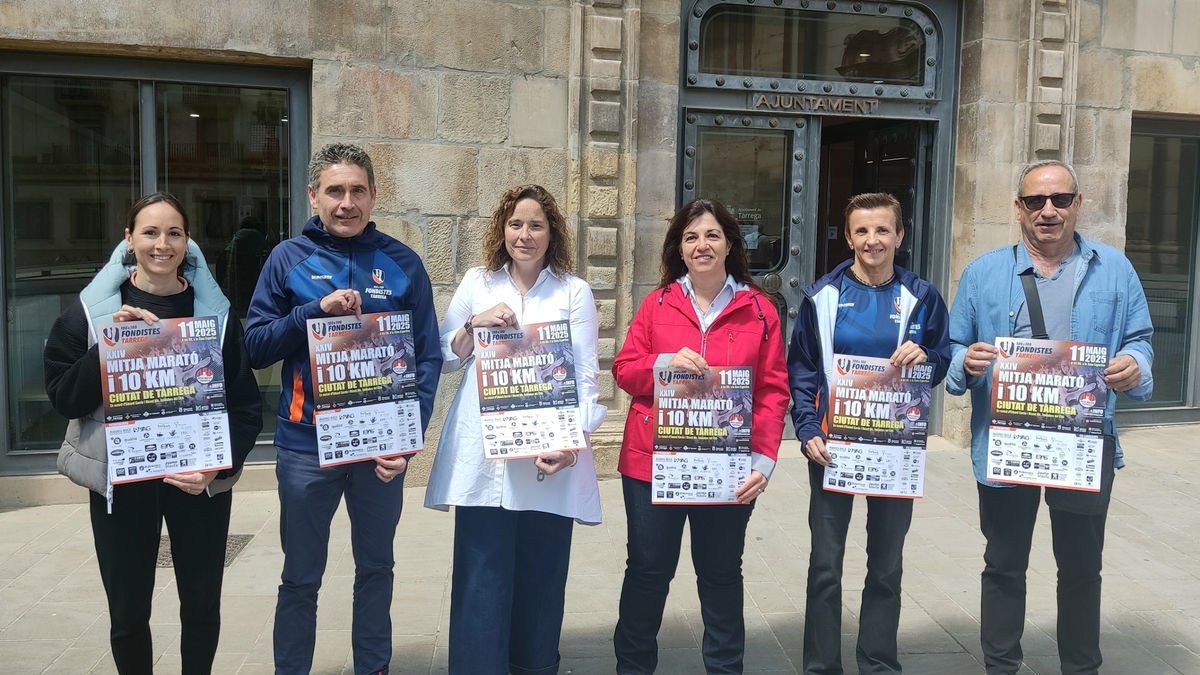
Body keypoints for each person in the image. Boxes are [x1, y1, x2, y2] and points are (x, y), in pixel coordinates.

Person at [946, 159, 1154, 675]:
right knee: (1003, 566)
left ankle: (1081, 668)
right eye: (1036, 201)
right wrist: (964, 361)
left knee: (1081, 569)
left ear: (1077, 204)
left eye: (1060, 199)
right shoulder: (982, 273)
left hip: (1083, 444)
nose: (1048, 211)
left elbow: (1140, 339)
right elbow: (951, 346)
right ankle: (1001, 666)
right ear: (1018, 208)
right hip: (1008, 443)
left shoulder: (1115, 269)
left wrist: (1136, 364)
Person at [44, 192, 263, 675]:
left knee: (201, 607)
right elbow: (64, 397)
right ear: (129, 239)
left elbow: (247, 407)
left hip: (198, 482)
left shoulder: (215, 316)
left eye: (174, 233)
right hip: (123, 485)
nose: (162, 244)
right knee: (127, 615)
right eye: (150, 232)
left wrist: (218, 467)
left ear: (187, 242)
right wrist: (108, 347)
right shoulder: (91, 313)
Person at [244, 143, 442, 675]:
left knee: (376, 569)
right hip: (305, 448)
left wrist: (408, 438)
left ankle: (373, 667)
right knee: (300, 576)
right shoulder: (287, 259)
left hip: (380, 451)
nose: (346, 202)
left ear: (374, 195)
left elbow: (427, 357)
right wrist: (313, 312)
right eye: (335, 191)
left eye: (357, 190)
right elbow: (255, 347)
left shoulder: (403, 263)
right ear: (314, 196)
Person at [425, 184, 606, 675]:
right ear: (502, 229)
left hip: (548, 459)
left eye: (536, 225)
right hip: (484, 459)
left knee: (541, 581)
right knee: (480, 580)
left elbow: (586, 379)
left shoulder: (574, 291)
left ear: (552, 233)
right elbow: (444, 355)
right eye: (516, 224)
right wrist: (474, 325)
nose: (525, 235)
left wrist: (572, 444)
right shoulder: (478, 282)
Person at [612, 198, 789, 675]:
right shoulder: (656, 305)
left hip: (728, 467)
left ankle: (725, 668)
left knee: (721, 575)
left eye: (712, 235)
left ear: (730, 244)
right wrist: (662, 364)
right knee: (647, 572)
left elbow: (774, 390)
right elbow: (624, 369)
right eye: (691, 237)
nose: (702, 245)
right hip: (653, 465)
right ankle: (633, 667)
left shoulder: (760, 311)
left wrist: (763, 460)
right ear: (679, 248)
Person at [787, 192, 950, 675]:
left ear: (900, 235)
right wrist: (807, 427)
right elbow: (803, 368)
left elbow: (942, 359)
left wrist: (927, 357)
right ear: (848, 237)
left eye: (882, 230)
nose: (872, 240)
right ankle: (821, 666)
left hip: (894, 448)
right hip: (833, 447)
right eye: (862, 230)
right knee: (825, 566)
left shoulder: (923, 297)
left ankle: (878, 663)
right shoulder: (823, 296)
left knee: (886, 565)